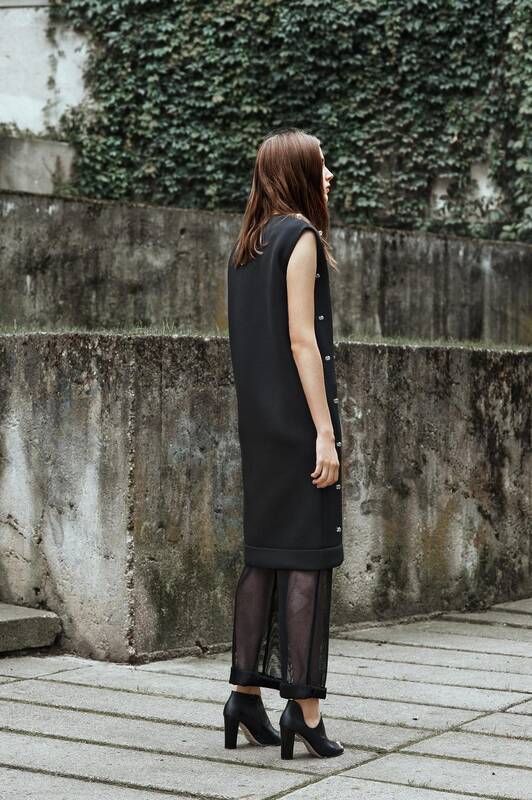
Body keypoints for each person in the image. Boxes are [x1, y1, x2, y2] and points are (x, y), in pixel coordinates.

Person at [223, 128, 344, 760]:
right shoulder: (300, 237)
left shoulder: (248, 243)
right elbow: (303, 341)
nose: (329, 175)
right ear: (296, 172)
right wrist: (325, 431)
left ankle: (245, 697)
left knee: (264, 556)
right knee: (307, 559)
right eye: (320, 166)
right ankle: (305, 711)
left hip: (259, 425)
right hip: (297, 424)